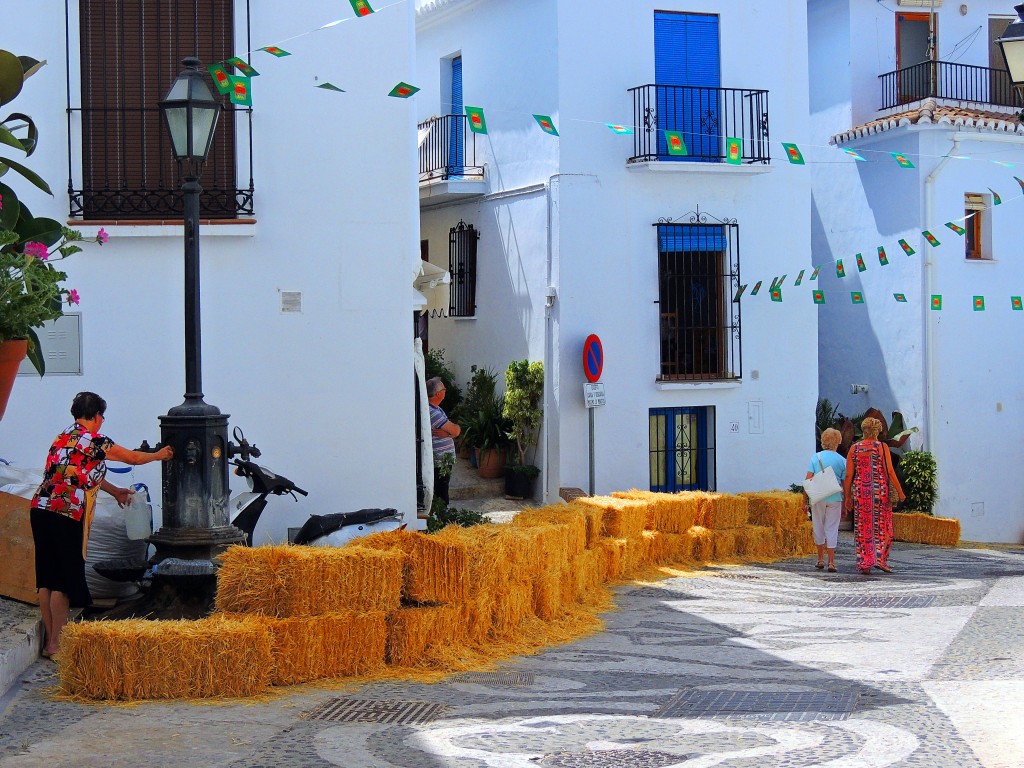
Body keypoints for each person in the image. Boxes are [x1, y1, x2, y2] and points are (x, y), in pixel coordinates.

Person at [30, 391, 173, 658]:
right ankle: (56, 645)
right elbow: (131, 458)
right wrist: (159, 454)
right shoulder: (94, 440)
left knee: (46, 579)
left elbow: (78, 473)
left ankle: (51, 641)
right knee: (61, 581)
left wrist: (115, 490)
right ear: (96, 416)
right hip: (66, 511)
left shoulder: (63, 437)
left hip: (41, 508)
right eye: (101, 417)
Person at [842, 416, 905, 575]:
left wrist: (847, 497)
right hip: (880, 492)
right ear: (878, 431)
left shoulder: (854, 449)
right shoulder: (882, 447)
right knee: (883, 527)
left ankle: (865, 562)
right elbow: (890, 471)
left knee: (863, 527)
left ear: (863, 430)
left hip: (861, 493)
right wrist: (900, 492)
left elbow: (849, 476)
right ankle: (880, 559)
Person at [805, 427, 846, 572]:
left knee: (818, 526)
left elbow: (808, 479)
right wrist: (847, 500)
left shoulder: (816, 458)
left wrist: (806, 499)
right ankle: (832, 562)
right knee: (832, 528)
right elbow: (845, 482)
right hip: (835, 497)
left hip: (818, 496)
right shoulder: (842, 461)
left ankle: (820, 559)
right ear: (838, 442)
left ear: (823, 441)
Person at [427, 377, 460, 507]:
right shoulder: (433, 412)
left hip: (442, 461)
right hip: (440, 461)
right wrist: (451, 433)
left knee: (442, 488)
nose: (446, 392)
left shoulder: (436, 409)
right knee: (441, 491)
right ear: (438, 393)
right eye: (444, 389)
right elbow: (456, 430)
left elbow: (455, 430)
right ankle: (442, 518)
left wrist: (448, 433)